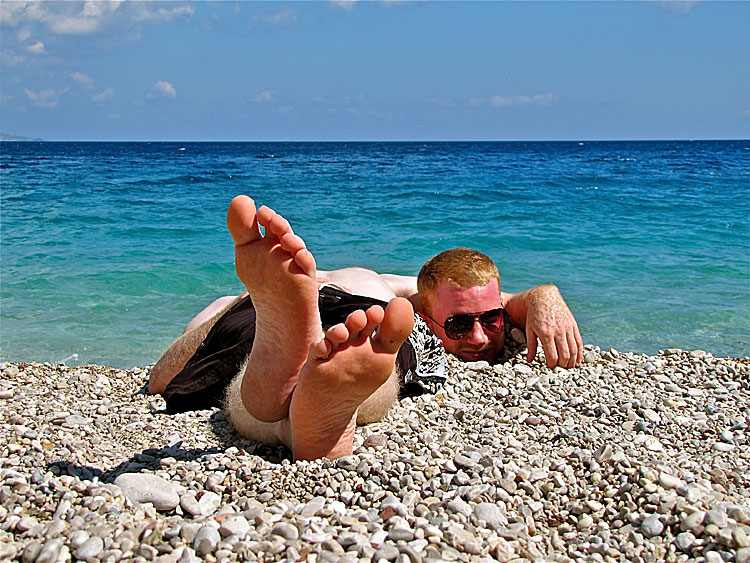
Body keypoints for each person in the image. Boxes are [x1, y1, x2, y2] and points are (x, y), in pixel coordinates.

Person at [148, 195, 582, 461]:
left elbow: (167, 376)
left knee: (351, 357)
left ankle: (290, 415)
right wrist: (252, 305)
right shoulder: (400, 300)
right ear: (426, 310)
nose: (482, 336)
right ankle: (306, 404)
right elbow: (164, 376)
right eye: (458, 326)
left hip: (287, 317)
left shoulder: (428, 303)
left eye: (493, 320)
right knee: (376, 352)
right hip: (328, 312)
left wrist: (545, 294)